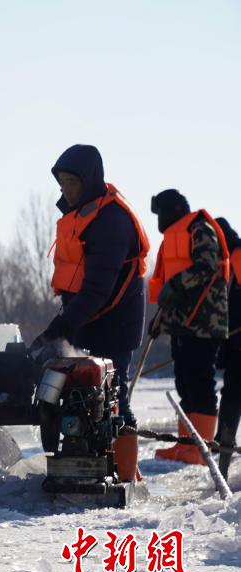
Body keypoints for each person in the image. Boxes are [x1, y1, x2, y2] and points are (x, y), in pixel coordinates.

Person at [37, 144, 150, 482]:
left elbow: (100, 287)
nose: (66, 190)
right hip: (87, 316)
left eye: (72, 182)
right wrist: (67, 321)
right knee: (83, 398)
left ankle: (128, 477)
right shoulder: (82, 214)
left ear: (89, 180)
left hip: (115, 320)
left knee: (115, 396)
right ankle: (94, 463)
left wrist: (63, 324)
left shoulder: (112, 220)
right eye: (62, 184)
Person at [149, 190, 230, 465]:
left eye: (160, 212)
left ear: (171, 210)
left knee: (200, 384)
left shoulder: (199, 229)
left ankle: (201, 448)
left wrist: (174, 285)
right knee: (184, 383)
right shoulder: (173, 238)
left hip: (206, 324)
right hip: (182, 324)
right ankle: (186, 445)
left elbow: (205, 268)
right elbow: (170, 284)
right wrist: (159, 320)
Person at [215, 217, 240, 476]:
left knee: (232, 398)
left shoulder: (238, 254)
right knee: (231, 398)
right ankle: (223, 454)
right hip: (233, 344)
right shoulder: (227, 261)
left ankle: (224, 455)